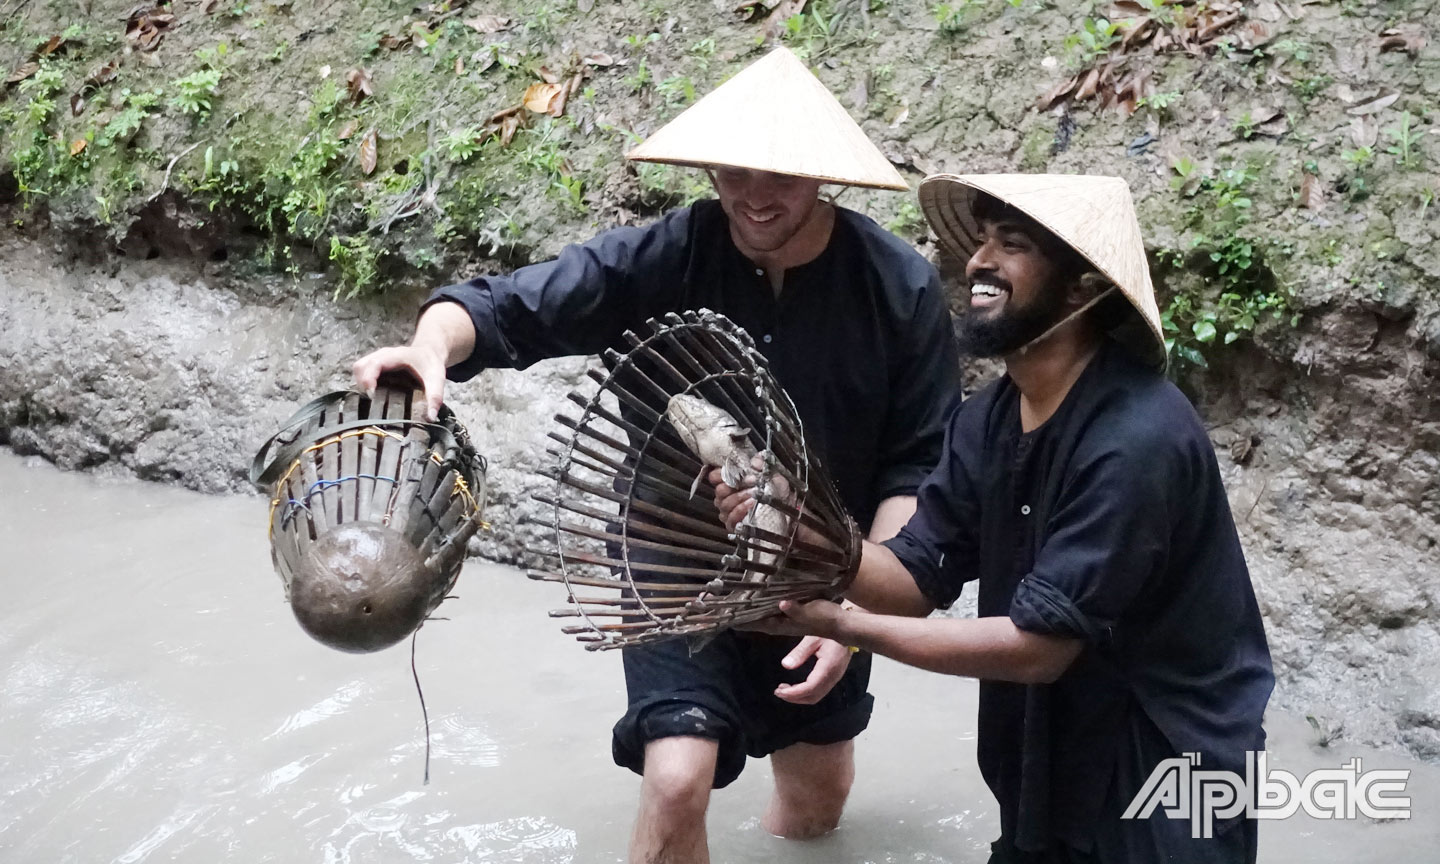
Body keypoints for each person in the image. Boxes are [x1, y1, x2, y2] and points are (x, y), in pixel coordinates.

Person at [352, 46, 962, 863]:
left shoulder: (901, 289)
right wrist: (431, 347)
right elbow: (506, 308)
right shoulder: (669, 254)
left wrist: (858, 617)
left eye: (777, 178)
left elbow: (914, 470)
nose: (750, 198)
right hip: (673, 562)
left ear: (824, 178)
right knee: (678, 778)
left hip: (823, 565)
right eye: (729, 174)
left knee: (819, 800)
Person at [720, 174, 1275, 863]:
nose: (979, 261)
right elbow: (914, 577)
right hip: (1048, 764)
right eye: (981, 240)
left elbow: (1038, 650)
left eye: (1012, 245)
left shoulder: (1137, 439)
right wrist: (810, 531)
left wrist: (841, 625)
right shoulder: (988, 419)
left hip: (1164, 777)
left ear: (1082, 289)